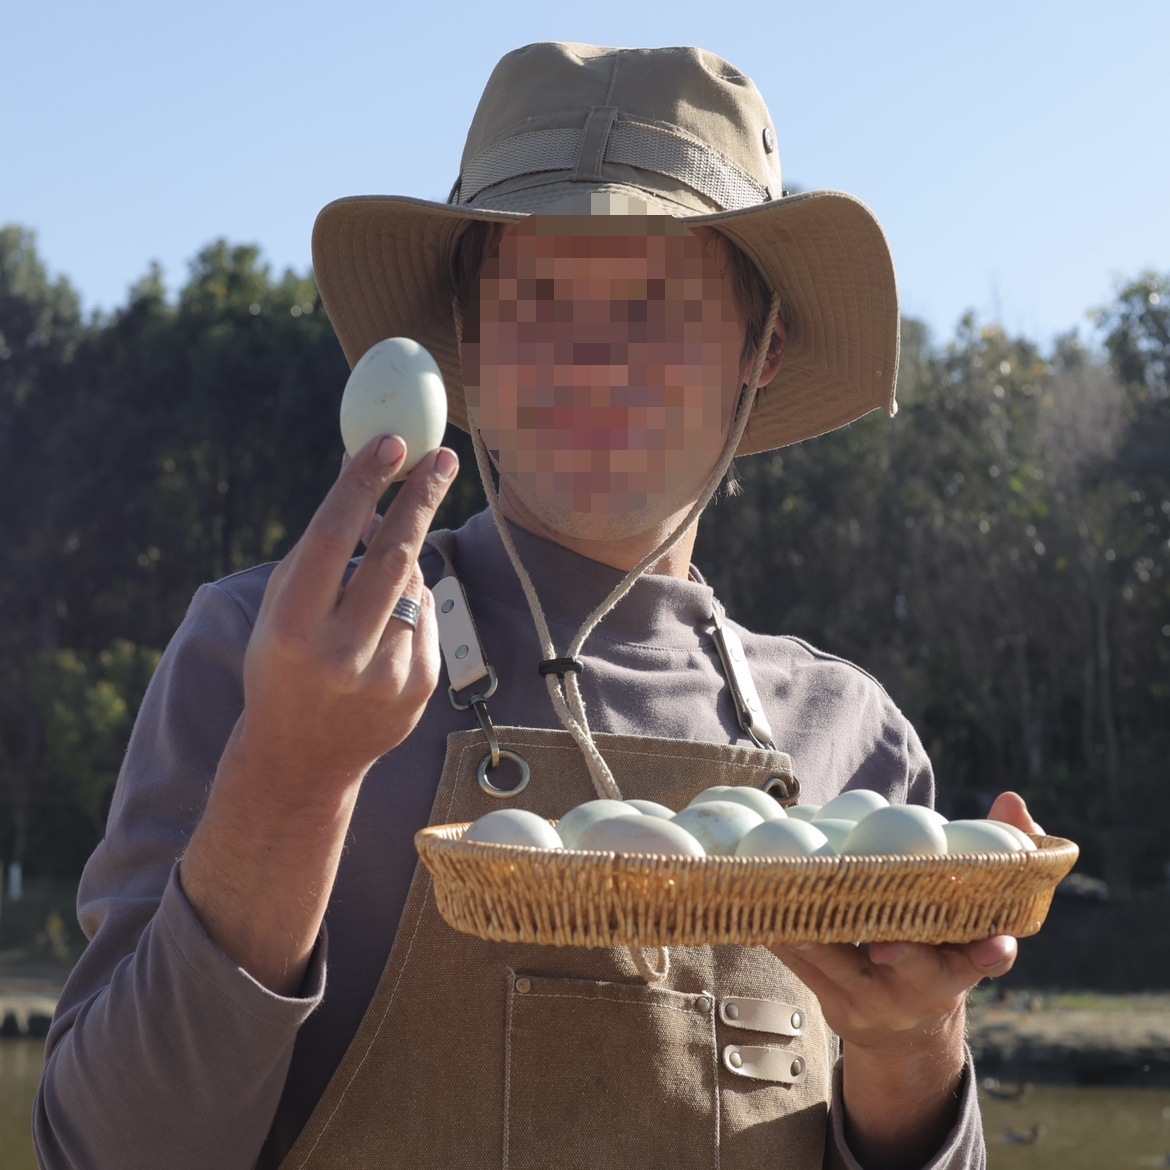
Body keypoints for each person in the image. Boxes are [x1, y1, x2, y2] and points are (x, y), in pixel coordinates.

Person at [34, 42, 1042, 1170]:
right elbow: (105, 1150)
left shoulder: (852, 743)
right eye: (539, 300)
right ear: (466, 342)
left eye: (655, 306)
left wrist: (913, 1046)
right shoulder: (264, 653)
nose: (591, 360)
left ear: (763, 347)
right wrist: (289, 773)